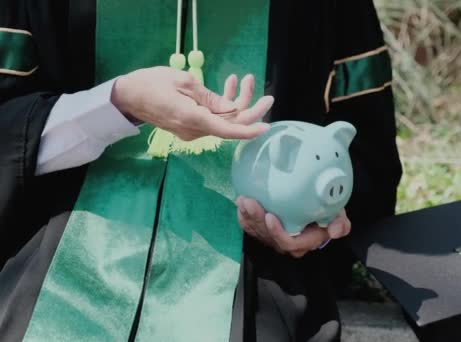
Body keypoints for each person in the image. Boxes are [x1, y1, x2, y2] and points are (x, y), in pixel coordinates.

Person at [0, 0, 402, 341]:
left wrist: (315, 228)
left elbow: (363, 151)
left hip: (258, 271)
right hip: (55, 243)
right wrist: (116, 103)